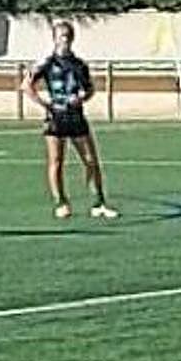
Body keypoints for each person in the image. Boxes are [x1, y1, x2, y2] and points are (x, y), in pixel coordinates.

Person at [23, 21, 118, 220]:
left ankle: (98, 202)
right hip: (55, 118)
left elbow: (90, 89)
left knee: (91, 160)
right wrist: (44, 103)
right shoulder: (47, 64)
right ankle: (61, 202)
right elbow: (27, 85)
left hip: (76, 116)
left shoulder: (79, 65)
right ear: (54, 39)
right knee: (56, 161)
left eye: (67, 36)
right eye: (61, 36)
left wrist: (82, 97)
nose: (64, 40)